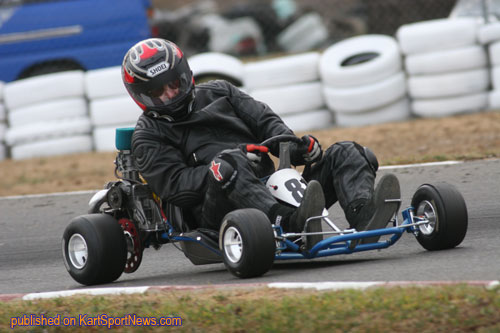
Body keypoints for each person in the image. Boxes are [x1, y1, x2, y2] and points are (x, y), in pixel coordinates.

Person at [122, 38, 401, 248]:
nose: (171, 93)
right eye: (158, 91)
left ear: (185, 74)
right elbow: (177, 187)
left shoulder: (221, 92)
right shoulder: (148, 135)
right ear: (141, 96)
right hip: (214, 213)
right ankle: (291, 223)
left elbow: (267, 122)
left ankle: (363, 214)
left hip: (271, 184)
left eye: (174, 83)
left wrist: (299, 147)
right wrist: (234, 159)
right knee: (227, 165)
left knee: (347, 151)